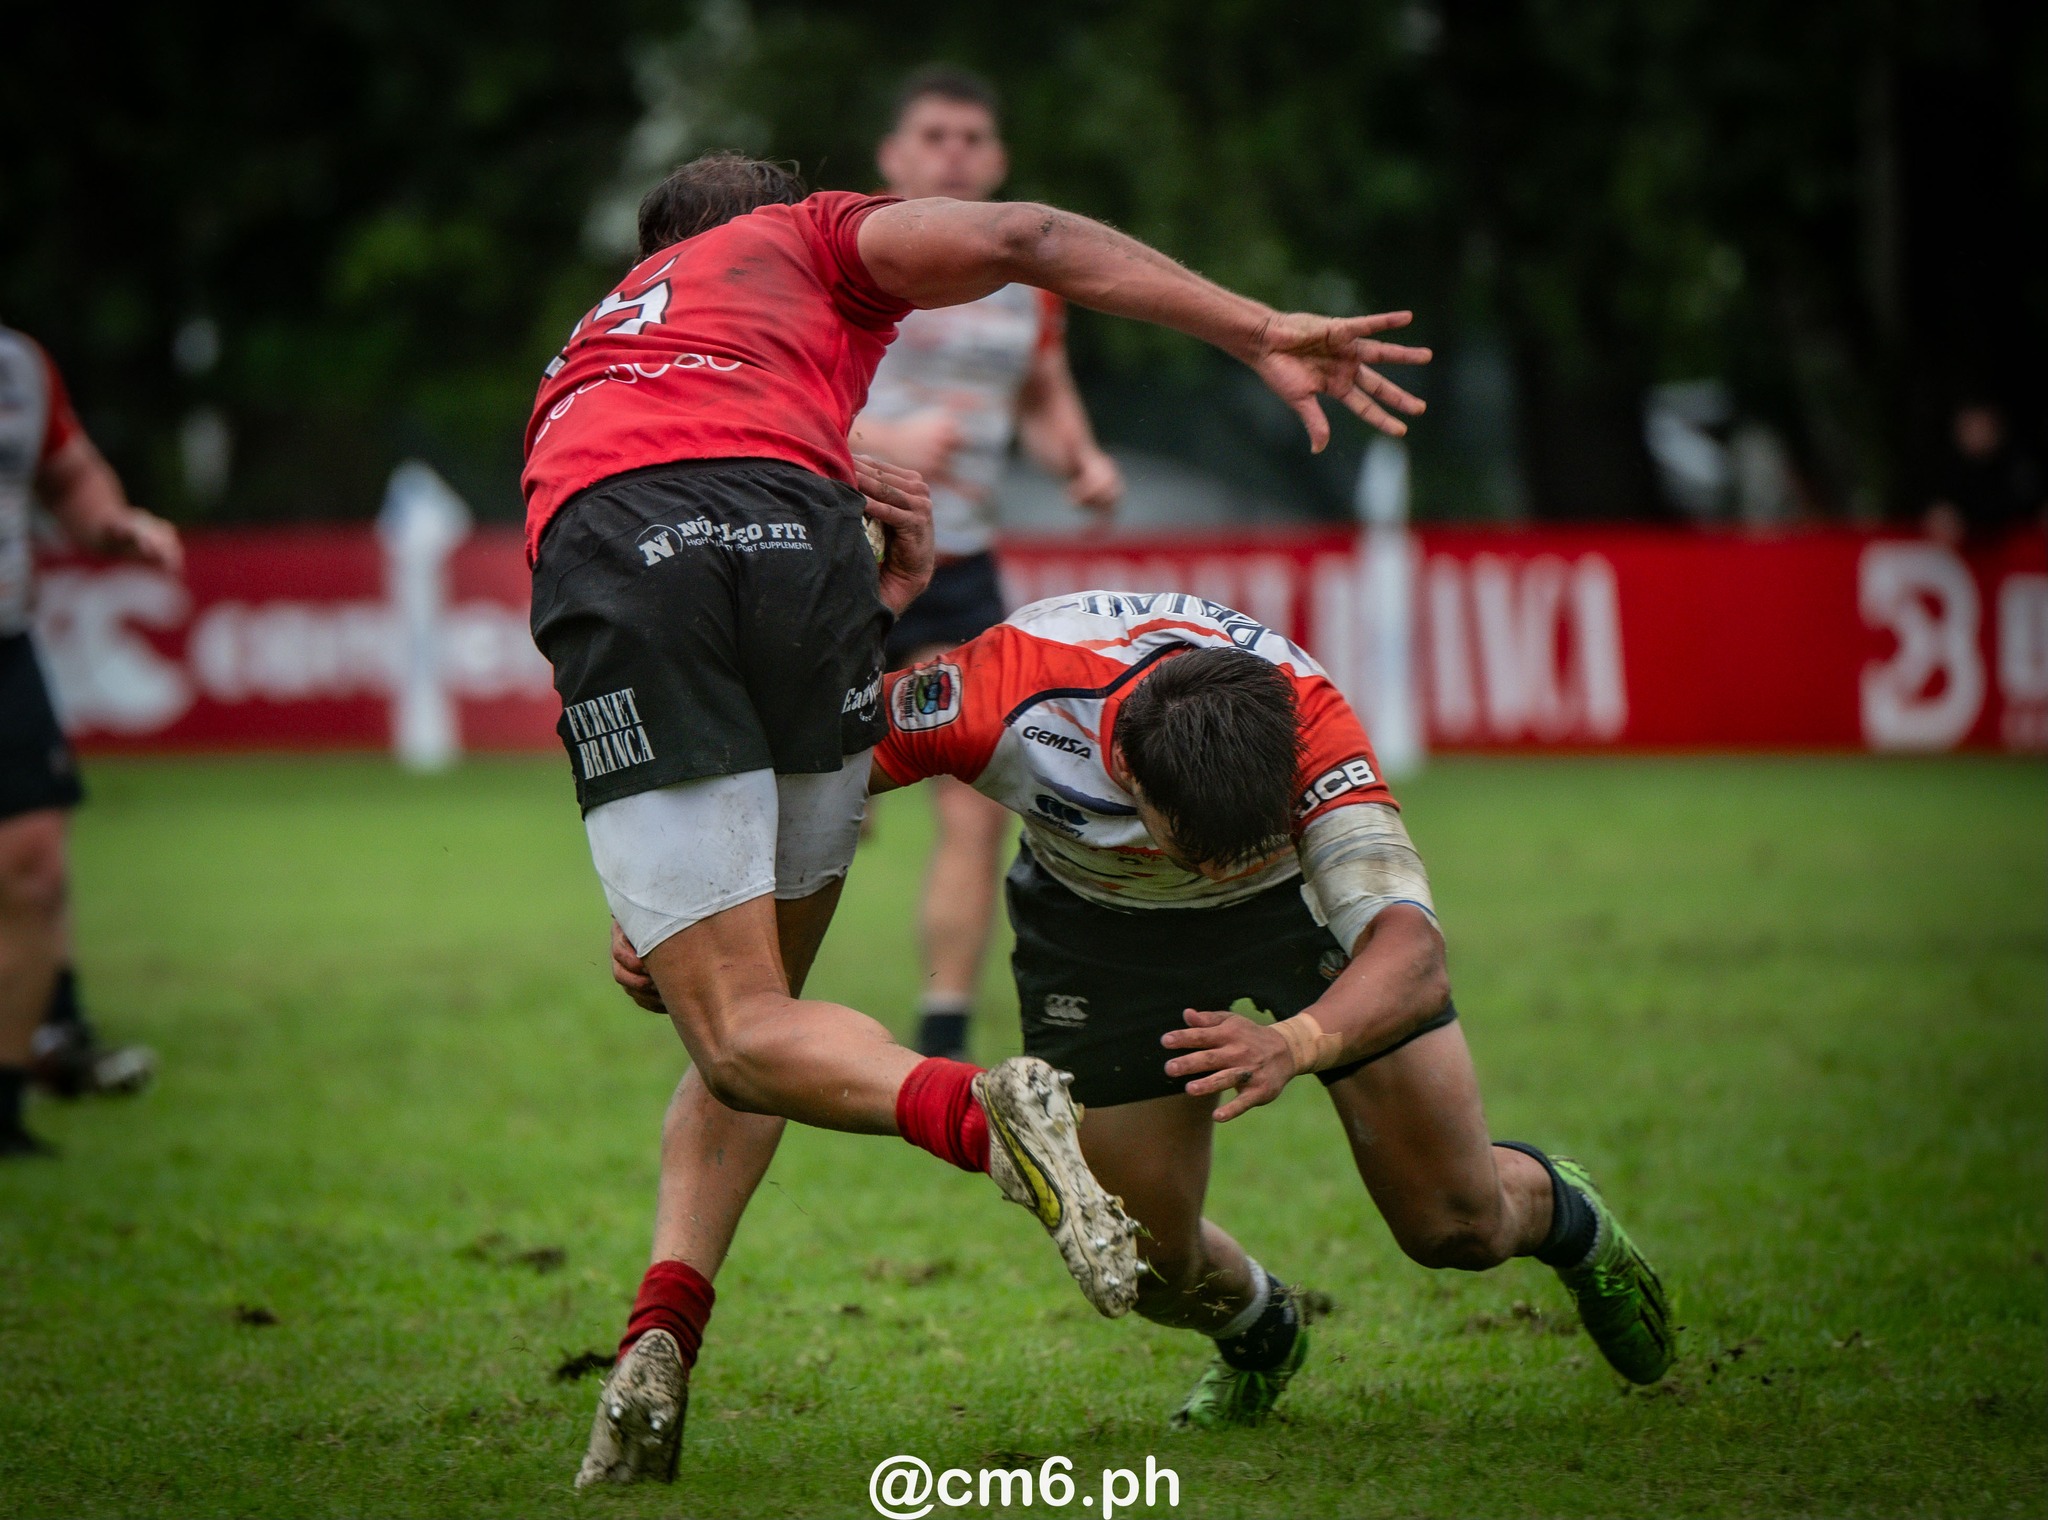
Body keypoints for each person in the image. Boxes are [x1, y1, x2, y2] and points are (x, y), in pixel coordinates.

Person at [520, 151, 1432, 1485]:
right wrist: (1257, 328)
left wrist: (661, 887)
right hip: (801, 536)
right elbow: (1027, 232)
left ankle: (958, 1127)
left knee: (740, 1030)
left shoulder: (596, 349)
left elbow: (658, 565)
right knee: (765, 1023)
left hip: (633, 530)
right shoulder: (814, 247)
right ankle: (658, 1334)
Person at [612, 591, 1676, 1434]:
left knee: (1453, 1224)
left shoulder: (1306, 720)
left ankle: (1566, 1216)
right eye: (1191, 844)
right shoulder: (996, 694)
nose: (1210, 867)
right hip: (1101, 932)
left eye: (1238, 842)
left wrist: (1295, 1037)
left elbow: (1414, 953)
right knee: (1138, 1259)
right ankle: (1263, 1330)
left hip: (1289, 919)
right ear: (1119, 768)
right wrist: (693, 915)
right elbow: (798, 764)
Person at [850, 66, 1124, 1064]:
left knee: (972, 800)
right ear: (893, 156)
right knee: (819, 802)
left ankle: (942, 1032)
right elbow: (780, 399)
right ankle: (757, 1016)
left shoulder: (1025, 284)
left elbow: (1041, 394)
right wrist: (884, 432)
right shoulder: (856, 261)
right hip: (835, 556)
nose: (953, 152)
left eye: (972, 136)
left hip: (956, 563)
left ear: (998, 158)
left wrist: (1079, 459)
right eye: (932, 134)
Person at [1, 324, 181, 1157]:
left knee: (34, 865)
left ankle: (8, 1103)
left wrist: (115, 524)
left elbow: (67, 474)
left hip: (6, 641)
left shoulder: (20, 365)